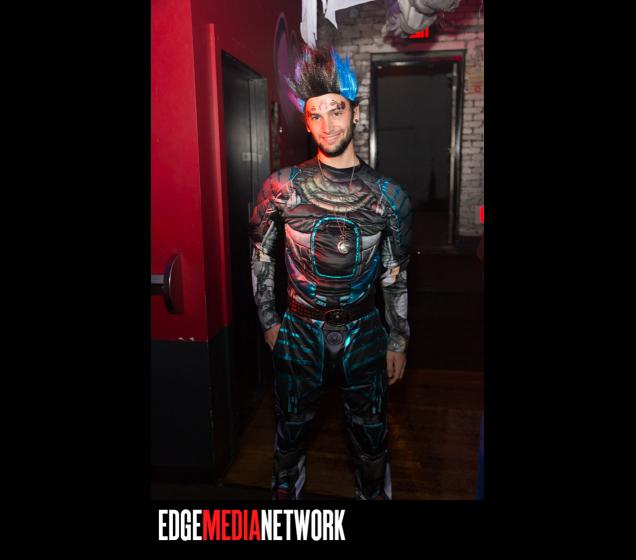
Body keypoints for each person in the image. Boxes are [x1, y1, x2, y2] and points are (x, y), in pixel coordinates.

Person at [249, 46, 412, 500]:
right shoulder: (280, 188)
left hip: (365, 331)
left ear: (355, 113)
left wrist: (398, 339)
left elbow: (395, 273)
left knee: (372, 441)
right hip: (299, 329)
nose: (327, 125)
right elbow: (260, 256)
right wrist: (269, 322)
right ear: (306, 123)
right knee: (289, 436)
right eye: (316, 115)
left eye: (336, 111)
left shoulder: (389, 196)